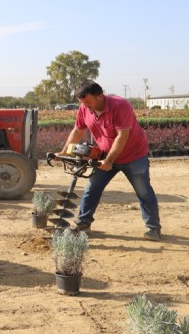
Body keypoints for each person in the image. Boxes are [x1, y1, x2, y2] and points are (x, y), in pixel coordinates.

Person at [55, 80, 161, 241]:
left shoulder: (120, 106)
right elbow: (78, 129)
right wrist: (64, 152)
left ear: (100, 96)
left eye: (88, 102)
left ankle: (153, 228)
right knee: (92, 189)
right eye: (82, 103)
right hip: (104, 155)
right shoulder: (84, 108)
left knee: (143, 191)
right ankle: (83, 224)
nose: (86, 106)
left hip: (133, 156)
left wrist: (110, 161)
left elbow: (122, 136)